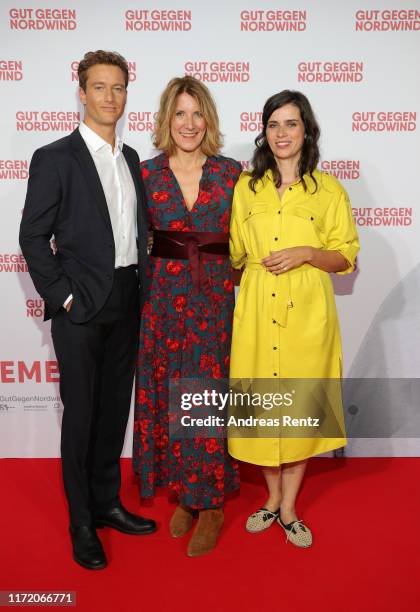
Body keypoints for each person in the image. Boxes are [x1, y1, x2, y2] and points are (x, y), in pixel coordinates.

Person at [19, 50, 156, 570]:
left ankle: (106, 503)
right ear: (81, 92)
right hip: (80, 306)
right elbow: (32, 237)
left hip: (127, 300)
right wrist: (64, 296)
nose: (109, 97)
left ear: (126, 94)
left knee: (113, 411)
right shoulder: (54, 157)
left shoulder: (132, 158)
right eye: (99, 87)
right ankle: (81, 521)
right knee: (80, 417)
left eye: (118, 88)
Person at [228, 90, 359, 547]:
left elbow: (345, 257)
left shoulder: (329, 191)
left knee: (301, 409)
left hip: (307, 311)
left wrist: (306, 252)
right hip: (260, 306)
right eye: (273, 125)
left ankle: (289, 507)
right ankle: (269, 498)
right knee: (263, 406)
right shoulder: (246, 188)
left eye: (291, 124)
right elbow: (235, 252)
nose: (282, 133)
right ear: (263, 132)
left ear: (307, 131)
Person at [133, 76, 241, 557]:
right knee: (170, 393)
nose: (189, 123)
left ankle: (210, 502)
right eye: (180, 113)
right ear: (166, 119)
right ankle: (185, 493)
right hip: (163, 297)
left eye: (198, 114)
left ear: (209, 120)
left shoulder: (233, 172)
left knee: (205, 392)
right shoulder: (146, 174)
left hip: (214, 300)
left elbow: (251, 237)